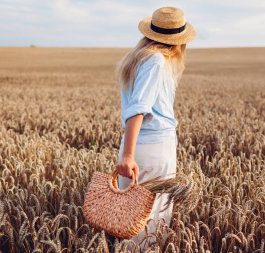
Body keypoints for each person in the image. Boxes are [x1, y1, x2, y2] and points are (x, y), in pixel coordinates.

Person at [114, 6, 197, 249]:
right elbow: (138, 108)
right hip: (154, 148)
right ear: (178, 42)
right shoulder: (157, 62)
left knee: (130, 216)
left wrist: (128, 152)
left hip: (139, 146)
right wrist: (128, 156)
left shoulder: (139, 59)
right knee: (152, 218)